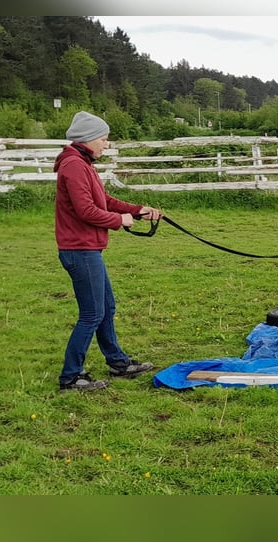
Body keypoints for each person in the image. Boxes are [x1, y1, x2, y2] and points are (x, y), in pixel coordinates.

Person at [54, 110, 161, 391]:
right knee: (91, 314)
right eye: (104, 138)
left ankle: (118, 362)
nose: (107, 143)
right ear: (88, 139)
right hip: (80, 250)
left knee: (106, 307)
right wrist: (120, 221)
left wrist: (136, 211)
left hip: (88, 249)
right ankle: (70, 376)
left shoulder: (83, 163)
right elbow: (86, 210)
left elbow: (104, 199)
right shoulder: (74, 166)